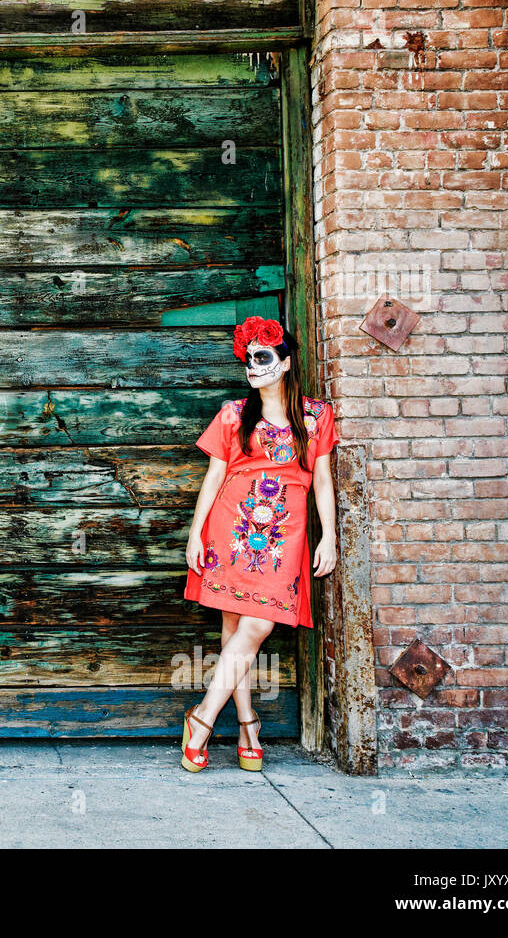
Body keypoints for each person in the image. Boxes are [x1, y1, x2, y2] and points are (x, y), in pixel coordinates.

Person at [180, 315, 339, 772]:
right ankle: (249, 723)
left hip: (284, 538)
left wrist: (328, 535)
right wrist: (195, 534)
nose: (254, 365)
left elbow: (323, 480)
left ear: (285, 362)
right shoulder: (233, 414)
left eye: (264, 356)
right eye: (248, 358)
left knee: (254, 629)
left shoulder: (315, 416)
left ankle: (203, 719)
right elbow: (213, 480)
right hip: (229, 531)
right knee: (235, 634)